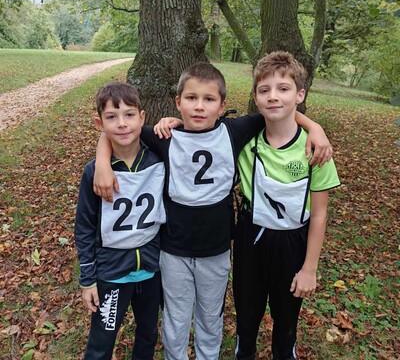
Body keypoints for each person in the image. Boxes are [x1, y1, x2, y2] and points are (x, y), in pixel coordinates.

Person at [93, 63, 332, 360]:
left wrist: (315, 128)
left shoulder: (234, 131)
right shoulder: (164, 136)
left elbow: (279, 111)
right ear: (178, 102)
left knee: (210, 316)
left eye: (209, 99)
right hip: (173, 250)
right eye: (191, 98)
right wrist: (102, 162)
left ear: (222, 106)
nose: (199, 106)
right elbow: (119, 130)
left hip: (216, 251)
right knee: (175, 318)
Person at [233, 51, 340, 360]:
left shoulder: (315, 150)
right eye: (264, 90)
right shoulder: (244, 142)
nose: (273, 96)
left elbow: (319, 214)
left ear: (299, 95)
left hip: (293, 243)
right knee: (247, 317)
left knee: (286, 323)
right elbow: (202, 128)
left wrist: (310, 268)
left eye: (283, 88)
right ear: (255, 98)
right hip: (251, 238)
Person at [74, 82, 166, 360]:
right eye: (112, 117)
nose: (122, 123)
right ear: (99, 124)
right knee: (103, 339)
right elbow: (84, 227)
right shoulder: (94, 172)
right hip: (112, 273)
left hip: (151, 270)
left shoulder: (160, 159)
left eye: (129, 115)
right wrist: (88, 279)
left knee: (148, 334)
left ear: (142, 117)